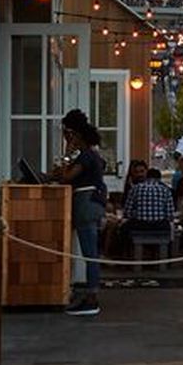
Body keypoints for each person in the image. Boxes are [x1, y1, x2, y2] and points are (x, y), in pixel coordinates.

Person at [52, 110, 108, 317]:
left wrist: (68, 149)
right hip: (90, 203)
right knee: (89, 251)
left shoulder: (85, 155)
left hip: (86, 204)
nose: (66, 137)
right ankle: (88, 293)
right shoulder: (90, 154)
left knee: (90, 253)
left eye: (67, 134)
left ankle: (92, 298)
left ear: (74, 134)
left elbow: (67, 176)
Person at [124, 167, 177, 235]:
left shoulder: (135, 188)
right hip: (160, 226)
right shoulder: (165, 190)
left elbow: (127, 212)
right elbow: (170, 215)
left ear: (146, 177)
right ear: (159, 179)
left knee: (124, 228)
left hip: (139, 225)